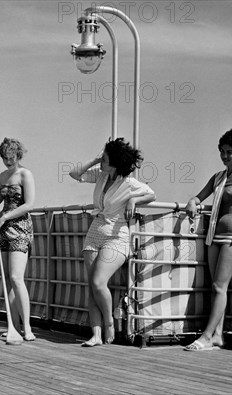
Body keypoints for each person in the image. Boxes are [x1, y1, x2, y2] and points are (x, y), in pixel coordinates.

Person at [69, 137, 155, 347]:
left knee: (98, 282)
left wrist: (134, 199)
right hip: (94, 232)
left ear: (115, 162)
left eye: (105, 158)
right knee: (92, 286)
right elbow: (74, 173)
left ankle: (109, 323)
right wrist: (95, 159)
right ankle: (95, 335)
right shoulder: (100, 176)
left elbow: (151, 195)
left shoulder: (129, 183)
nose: (101, 162)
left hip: (117, 236)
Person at [184, 129, 232, 351]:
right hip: (214, 235)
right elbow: (199, 196)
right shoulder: (218, 177)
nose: (225, 156)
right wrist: (192, 202)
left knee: (219, 285)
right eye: (222, 152)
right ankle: (217, 335)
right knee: (216, 288)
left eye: (230, 152)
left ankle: (206, 336)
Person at [0, 137, 36, 341]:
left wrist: (4, 217)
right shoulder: (3, 174)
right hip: (2, 228)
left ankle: (28, 327)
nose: (7, 162)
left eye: (11, 158)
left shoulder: (25, 174)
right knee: (8, 281)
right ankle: (13, 325)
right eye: (5, 158)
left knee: (16, 277)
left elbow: (29, 204)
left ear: (18, 156)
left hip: (20, 226)